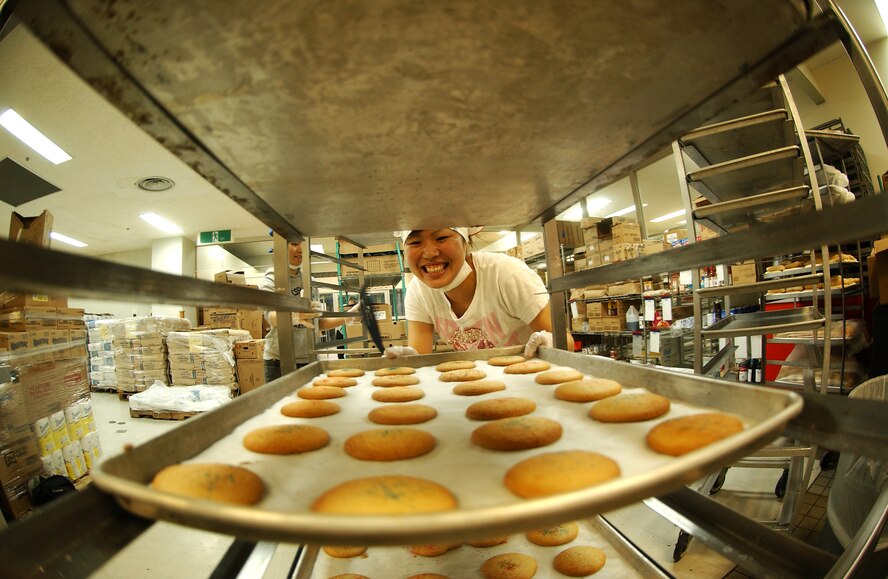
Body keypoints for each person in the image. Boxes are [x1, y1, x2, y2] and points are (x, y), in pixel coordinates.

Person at [386, 227, 570, 359]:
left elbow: (566, 344)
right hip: (479, 387)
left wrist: (548, 343)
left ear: (465, 243)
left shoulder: (505, 274)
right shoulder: (418, 292)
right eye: (415, 242)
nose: (430, 253)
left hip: (532, 381)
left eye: (441, 238)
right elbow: (420, 358)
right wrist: (409, 360)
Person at [258, 242, 358, 382]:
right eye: (294, 243)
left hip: (310, 358)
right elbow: (271, 316)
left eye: (302, 244)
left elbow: (316, 323)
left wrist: (348, 317)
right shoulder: (271, 280)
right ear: (279, 247)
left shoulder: (309, 281)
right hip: (279, 361)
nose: (300, 249)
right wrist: (292, 316)